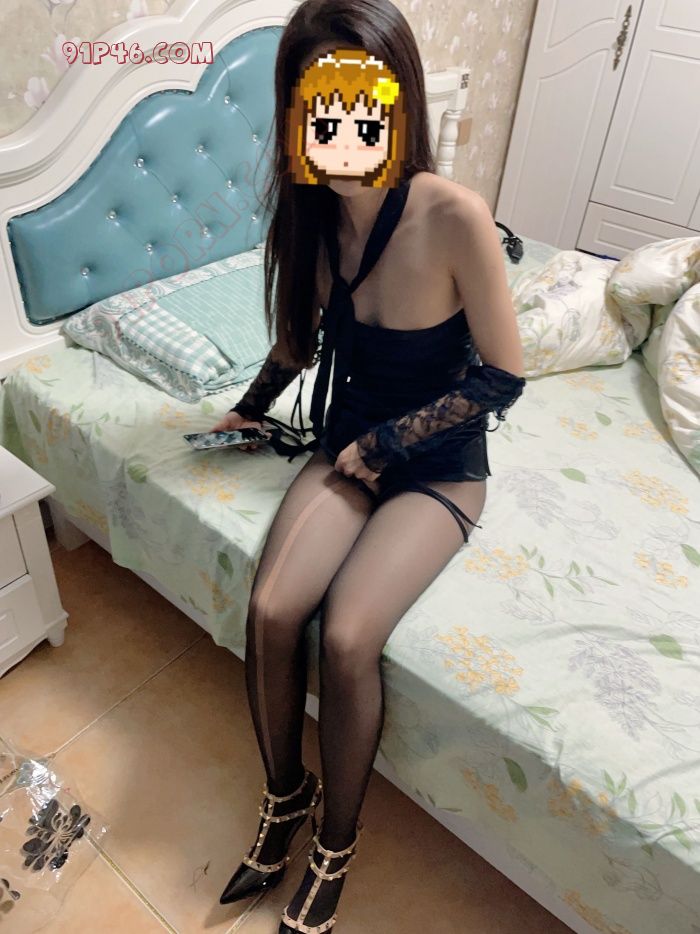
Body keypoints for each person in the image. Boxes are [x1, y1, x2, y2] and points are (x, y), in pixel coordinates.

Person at [211, 2, 526, 930]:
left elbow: (504, 376)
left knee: (349, 637)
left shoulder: (454, 215)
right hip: (347, 445)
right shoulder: (309, 214)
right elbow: (298, 340)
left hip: (436, 461)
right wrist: (250, 408)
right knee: (273, 610)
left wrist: (387, 445)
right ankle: (285, 798)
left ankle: (336, 846)